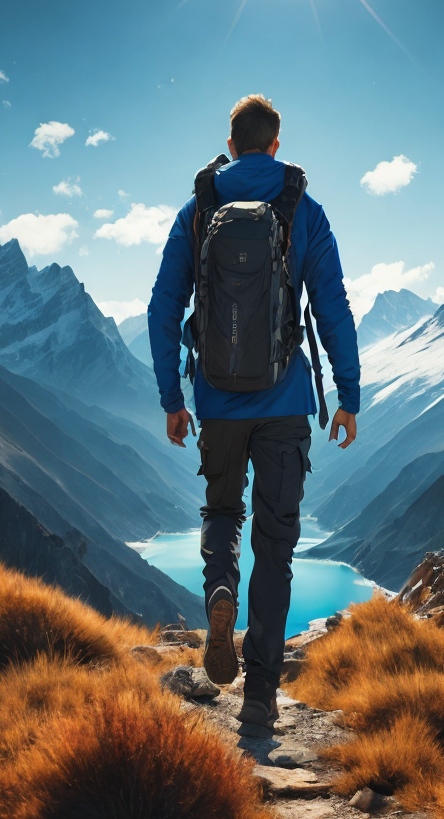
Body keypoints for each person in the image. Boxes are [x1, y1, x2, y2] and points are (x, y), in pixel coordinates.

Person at [148, 94, 359, 732]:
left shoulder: (197, 208)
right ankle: (261, 694)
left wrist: (173, 399)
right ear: (275, 145)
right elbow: (333, 307)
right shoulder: (303, 210)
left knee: (220, 511)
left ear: (232, 144)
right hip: (286, 404)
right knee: (277, 546)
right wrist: (347, 396)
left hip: (215, 402)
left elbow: (161, 310)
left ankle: (218, 591)